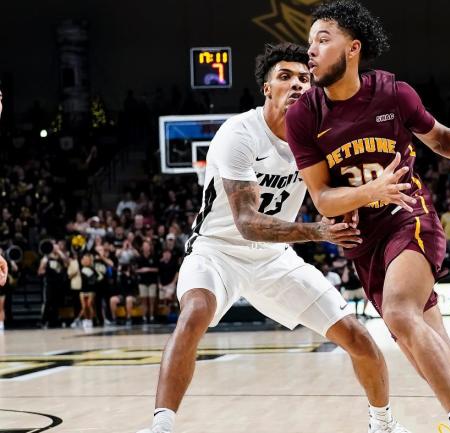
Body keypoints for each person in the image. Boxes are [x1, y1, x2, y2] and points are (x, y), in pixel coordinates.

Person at [286, 3, 450, 432]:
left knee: (402, 313)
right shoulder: (304, 116)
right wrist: (368, 192)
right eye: (309, 41)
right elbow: (323, 198)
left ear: (353, 48)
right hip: (364, 245)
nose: (310, 50)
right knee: (443, 370)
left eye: (322, 39)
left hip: (410, 219)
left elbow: (439, 138)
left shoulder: (392, 93)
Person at [137, 42, 411, 433]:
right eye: (285, 77)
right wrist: (318, 231)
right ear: (267, 88)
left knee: (358, 336)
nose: (297, 84)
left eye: (305, 78)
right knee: (195, 313)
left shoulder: (318, 140)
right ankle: (161, 426)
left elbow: (334, 198)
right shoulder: (239, 134)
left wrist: (362, 200)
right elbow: (248, 223)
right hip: (218, 251)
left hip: (273, 258)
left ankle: (383, 424)